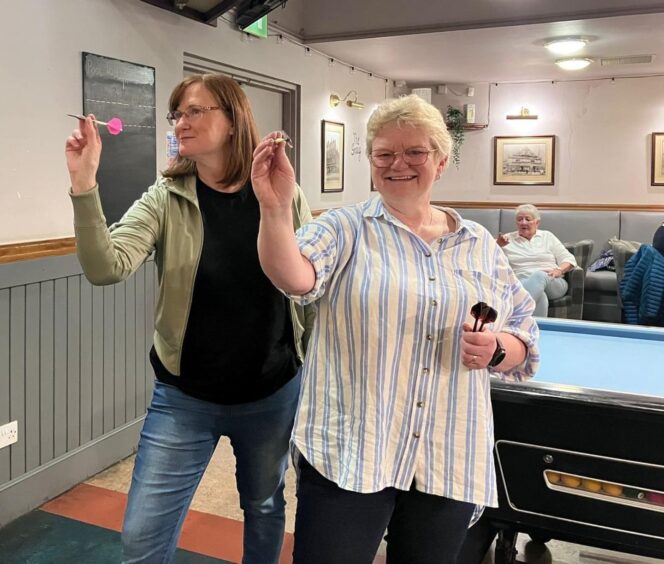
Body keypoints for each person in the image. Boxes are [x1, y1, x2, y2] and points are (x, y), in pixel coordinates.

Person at [251, 94, 540, 564]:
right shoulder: (346, 227)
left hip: (448, 453)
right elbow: (293, 277)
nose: (397, 164)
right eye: (384, 153)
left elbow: (522, 334)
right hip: (353, 451)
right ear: (371, 161)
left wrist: (495, 348)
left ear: (441, 162)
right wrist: (275, 209)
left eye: (415, 152)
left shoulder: (479, 244)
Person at [64, 73, 313, 564]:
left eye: (196, 111)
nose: (182, 122)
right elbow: (105, 268)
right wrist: (83, 183)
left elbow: (309, 284)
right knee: (143, 535)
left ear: (233, 119)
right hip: (184, 397)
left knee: (264, 505)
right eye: (177, 113)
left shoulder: (282, 193)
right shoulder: (166, 196)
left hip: (272, 390)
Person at [497, 204, 577, 317]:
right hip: (521, 281)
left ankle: (515, 313)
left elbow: (569, 259)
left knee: (539, 275)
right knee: (541, 297)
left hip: (552, 281)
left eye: (527, 219)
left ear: (537, 222)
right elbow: (486, 258)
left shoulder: (547, 236)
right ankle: (536, 332)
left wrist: (559, 270)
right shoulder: (506, 240)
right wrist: (497, 246)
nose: (523, 222)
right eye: (519, 219)